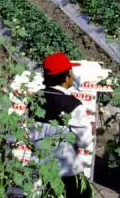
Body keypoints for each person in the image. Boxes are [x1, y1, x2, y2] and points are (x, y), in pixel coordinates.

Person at [27, 53, 95, 198]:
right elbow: (85, 142)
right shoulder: (73, 105)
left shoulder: (34, 100)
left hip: (40, 171)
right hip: (66, 173)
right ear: (67, 75)